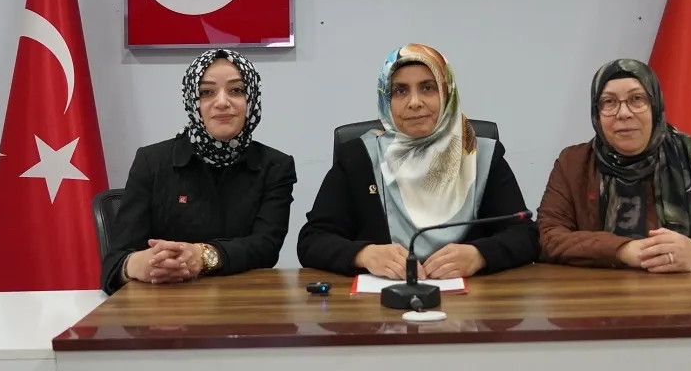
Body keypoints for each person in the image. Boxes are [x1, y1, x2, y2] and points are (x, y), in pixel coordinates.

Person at [297, 43, 538, 280]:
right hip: (381, 300)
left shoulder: (481, 156)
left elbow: (525, 235)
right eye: (400, 91)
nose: (414, 102)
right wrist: (364, 254)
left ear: (447, 93)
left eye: (428, 88)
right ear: (386, 100)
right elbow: (312, 241)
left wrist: (479, 255)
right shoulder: (358, 158)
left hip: (469, 300)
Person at [537, 58, 691, 283]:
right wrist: (624, 250)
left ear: (655, 106)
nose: (623, 113)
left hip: (686, 298)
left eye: (637, 99)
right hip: (598, 297)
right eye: (609, 102)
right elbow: (547, 236)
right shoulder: (574, 164)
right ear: (597, 113)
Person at [100, 49, 297, 295]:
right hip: (164, 302)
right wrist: (138, 264)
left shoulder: (276, 166)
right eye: (206, 92)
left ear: (252, 99)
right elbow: (114, 262)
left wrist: (203, 256)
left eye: (236, 90)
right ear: (192, 101)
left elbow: (266, 248)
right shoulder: (152, 162)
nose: (222, 102)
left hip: (245, 301)